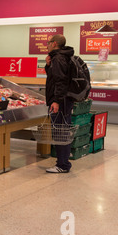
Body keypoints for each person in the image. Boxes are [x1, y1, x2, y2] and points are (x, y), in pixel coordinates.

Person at [44, 34, 74, 173]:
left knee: (60, 132)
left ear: (54, 43)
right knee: (62, 131)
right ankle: (63, 162)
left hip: (60, 102)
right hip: (64, 101)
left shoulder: (59, 58)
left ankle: (62, 165)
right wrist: (48, 65)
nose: (47, 45)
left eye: (49, 42)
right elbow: (54, 77)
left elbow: (60, 82)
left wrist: (56, 101)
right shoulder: (62, 56)